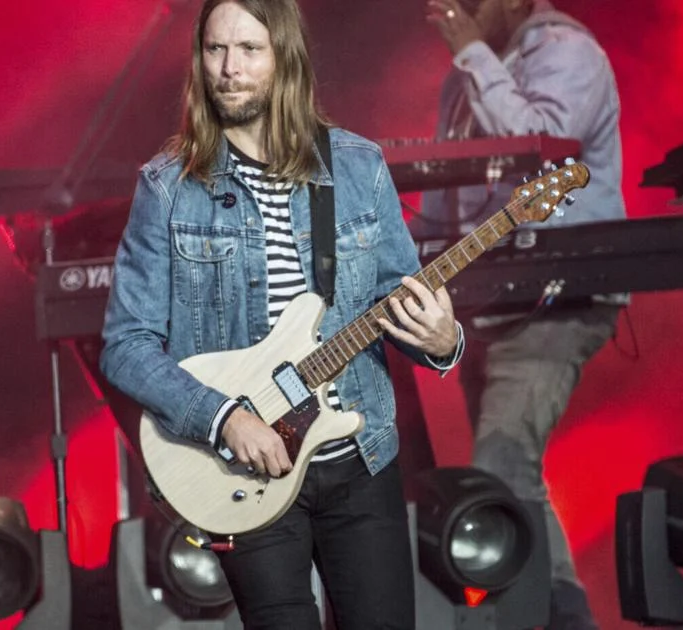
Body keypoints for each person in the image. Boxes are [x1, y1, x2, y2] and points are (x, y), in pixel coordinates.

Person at [100, 0, 465, 627]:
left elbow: (395, 303)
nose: (228, 69)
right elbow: (125, 344)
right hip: (245, 469)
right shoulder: (167, 187)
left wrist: (440, 339)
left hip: (359, 457)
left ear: (284, 59)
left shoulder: (355, 167)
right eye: (215, 50)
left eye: (248, 50)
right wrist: (223, 419)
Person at [418, 0, 626, 628]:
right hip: (488, 299)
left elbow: (542, 145)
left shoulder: (568, 51)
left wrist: (470, 51)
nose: (459, 11)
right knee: (514, 477)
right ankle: (565, 614)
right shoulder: (466, 78)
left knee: (502, 465)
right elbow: (446, 189)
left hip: (560, 296)